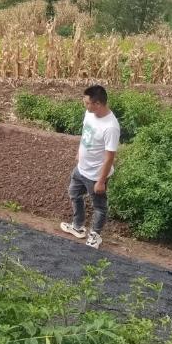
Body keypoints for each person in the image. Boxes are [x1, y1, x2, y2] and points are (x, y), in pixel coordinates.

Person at [60, 85, 120, 250]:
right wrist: (79, 152)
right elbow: (86, 133)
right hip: (81, 168)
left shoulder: (110, 127)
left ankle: (96, 234)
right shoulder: (90, 113)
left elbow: (109, 158)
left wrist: (101, 181)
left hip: (95, 175)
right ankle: (78, 226)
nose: (85, 105)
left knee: (99, 206)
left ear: (98, 104)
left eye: (87, 103)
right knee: (74, 193)